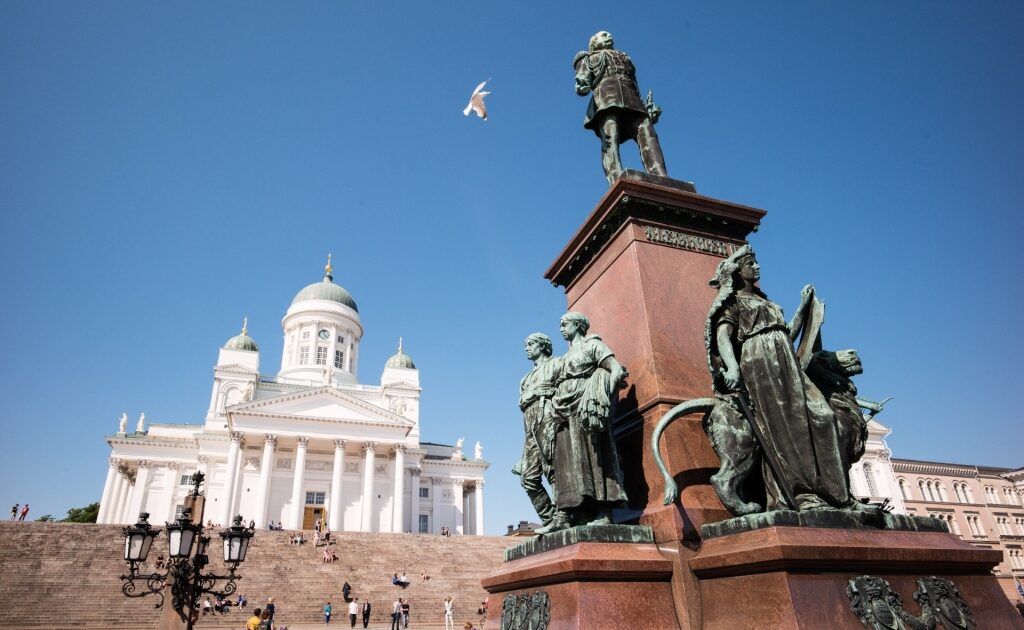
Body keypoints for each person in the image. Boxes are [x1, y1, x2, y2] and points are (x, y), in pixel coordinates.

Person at [706, 245, 855, 512]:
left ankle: (836, 494)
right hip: (760, 363)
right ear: (738, 271)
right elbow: (723, 338)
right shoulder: (734, 302)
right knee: (783, 428)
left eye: (756, 262)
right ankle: (801, 495)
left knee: (823, 416)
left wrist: (803, 306)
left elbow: (786, 332)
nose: (757, 267)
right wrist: (732, 368)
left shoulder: (768, 302)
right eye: (751, 264)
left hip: (785, 362)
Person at [544, 312, 628, 530]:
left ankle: (604, 510)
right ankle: (581, 511)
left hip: (585, 407)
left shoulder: (593, 345)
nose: (561, 328)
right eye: (560, 324)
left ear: (578, 325)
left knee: (594, 457)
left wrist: (601, 395)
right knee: (571, 461)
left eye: (565, 324)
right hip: (565, 409)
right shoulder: (566, 356)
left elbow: (616, 369)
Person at [573, 31, 667, 185]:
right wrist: (582, 84)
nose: (609, 37)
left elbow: (635, 85)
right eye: (603, 35)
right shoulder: (587, 58)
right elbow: (582, 81)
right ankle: (616, 178)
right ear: (593, 43)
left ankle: (661, 177)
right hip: (606, 99)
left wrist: (647, 108)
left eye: (609, 35)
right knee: (610, 138)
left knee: (648, 132)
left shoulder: (625, 58)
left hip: (632, 99)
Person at [513, 333, 560, 532]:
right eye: (526, 344)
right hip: (530, 424)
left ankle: (563, 517)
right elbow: (521, 401)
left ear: (543, 346)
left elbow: (566, 389)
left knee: (554, 471)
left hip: (550, 418)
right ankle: (549, 518)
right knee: (528, 477)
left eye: (531, 344)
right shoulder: (525, 378)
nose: (527, 348)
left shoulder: (556, 364)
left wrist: (547, 392)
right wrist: (534, 392)